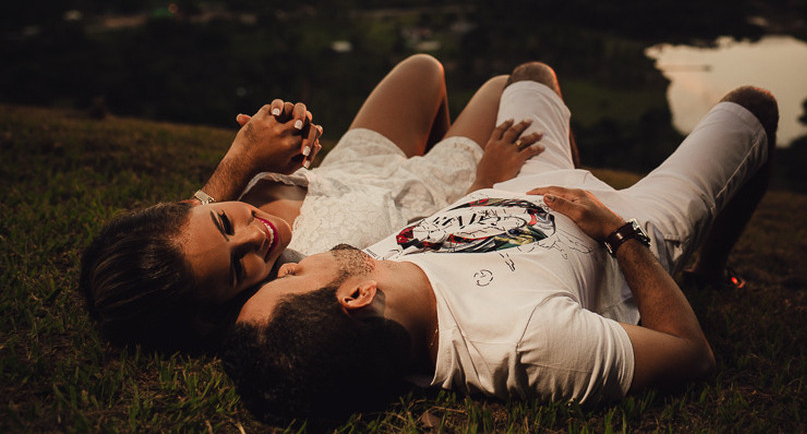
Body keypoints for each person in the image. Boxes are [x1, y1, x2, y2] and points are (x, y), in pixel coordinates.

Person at [222, 61, 777, 421]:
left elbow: (454, 238)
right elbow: (691, 354)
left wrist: (486, 185)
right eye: (290, 282)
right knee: (754, 107)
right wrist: (618, 234)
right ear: (356, 298)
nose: (287, 269)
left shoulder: (376, 269)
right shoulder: (527, 344)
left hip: (520, 182)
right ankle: (710, 267)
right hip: (634, 224)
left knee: (531, 74)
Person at [79, 54, 543, 353]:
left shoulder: (193, 232)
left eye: (225, 222)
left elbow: (184, 219)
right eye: (239, 267)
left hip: (356, 167)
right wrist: (486, 186)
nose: (256, 235)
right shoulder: (300, 288)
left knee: (423, 69)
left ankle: (441, 140)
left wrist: (250, 153)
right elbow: (428, 261)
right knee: (509, 85)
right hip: (439, 200)